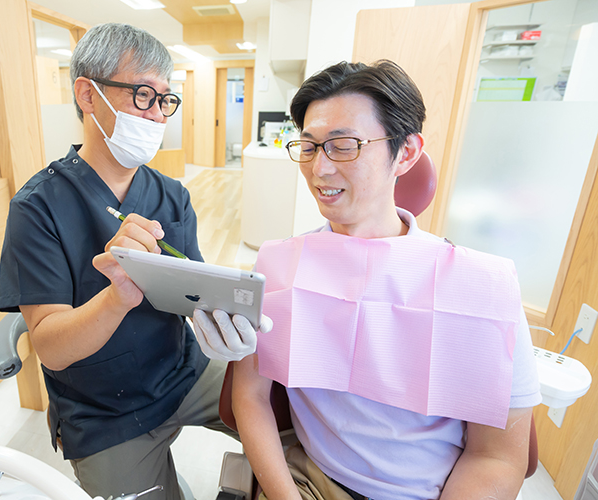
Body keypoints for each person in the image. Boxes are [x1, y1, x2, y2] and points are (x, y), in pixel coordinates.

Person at [224, 60, 542, 500]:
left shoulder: (480, 285)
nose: (320, 169)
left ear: (406, 152)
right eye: (309, 147)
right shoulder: (280, 265)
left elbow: (497, 456)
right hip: (311, 479)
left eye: (344, 146)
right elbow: (251, 397)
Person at [0, 23, 253, 500]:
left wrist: (228, 318)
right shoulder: (37, 208)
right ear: (88, 95)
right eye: (142, 95)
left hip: (183, 370)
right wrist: (118, 294)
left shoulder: (170, 194)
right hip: (104, 410)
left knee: (294, 424)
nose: (157, 115)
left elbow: (192, 292)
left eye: (165, 100)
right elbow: (51, 348)